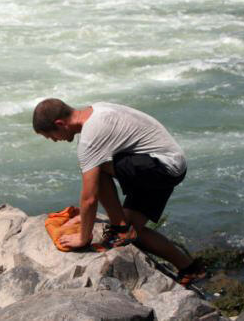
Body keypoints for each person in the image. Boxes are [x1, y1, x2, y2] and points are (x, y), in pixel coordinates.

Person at [32, 98, 206, 285]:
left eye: (51, 136)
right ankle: (191, 269)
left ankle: (119, 228)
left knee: (96, 169)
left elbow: (90, 198)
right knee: (135, 232)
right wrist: (85, 216)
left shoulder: (90, 137)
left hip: (161, 166)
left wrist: (83, 237)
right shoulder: (97, 109)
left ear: (60, 124)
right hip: (170, 162)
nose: (54, 141)